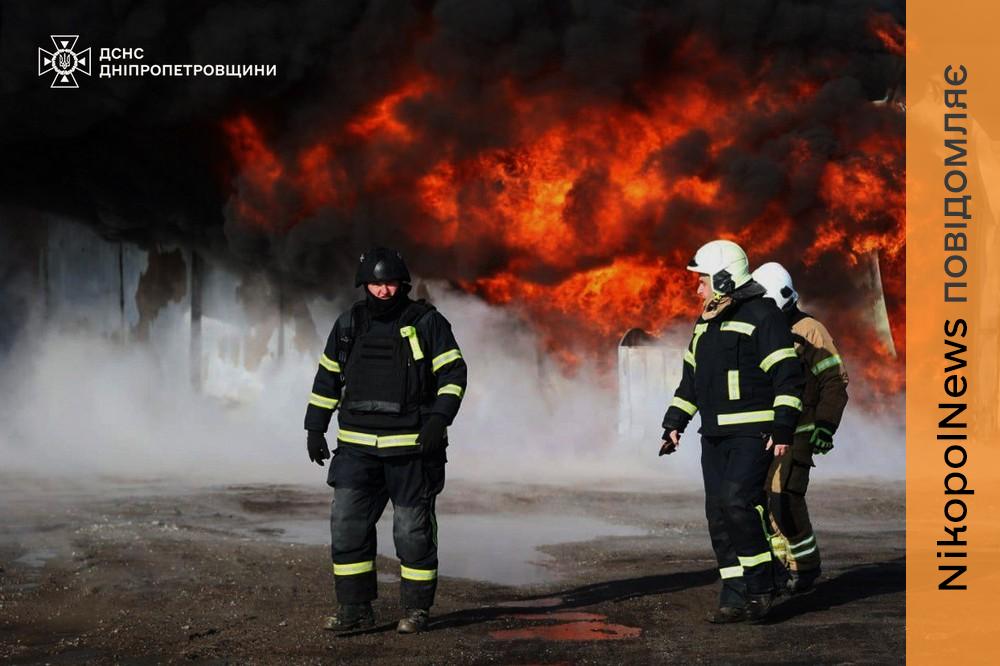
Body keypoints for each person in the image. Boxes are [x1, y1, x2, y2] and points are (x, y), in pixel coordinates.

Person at [303, 247, 467, 634]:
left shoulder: (427, 323)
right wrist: (314, 427)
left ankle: (415, 610)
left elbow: (454, 375)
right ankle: (355, 609)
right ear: (364, 285)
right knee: (347, 525)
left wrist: (438, 420)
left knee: (412, 532)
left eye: (390, 283)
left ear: (403, 284)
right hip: (356, 450)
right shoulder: (349, 325)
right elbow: (327, 377)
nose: (383, 290)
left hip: (411, 450)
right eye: (376, 283)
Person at [660, 240, 804, 624]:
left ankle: (762, 585)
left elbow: (787, 375)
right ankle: (735, 593)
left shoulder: (763, 314)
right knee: (719, 513)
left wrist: (783, 427)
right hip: (714, 435)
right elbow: (691, 379)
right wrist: (674, 424)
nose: (698, 288)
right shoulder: (706, 322)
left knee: (738, 502)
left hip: (752, 433)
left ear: (724, 279)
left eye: (703, 280)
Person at [751, 262, 849, 593]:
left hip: (799, 431)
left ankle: (806, 567)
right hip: (762, 432)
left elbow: (834, 381)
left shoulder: (810, 330)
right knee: (760, 502)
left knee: (784, 499)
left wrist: (825, 425)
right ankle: (777, 569)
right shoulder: (757, 325)